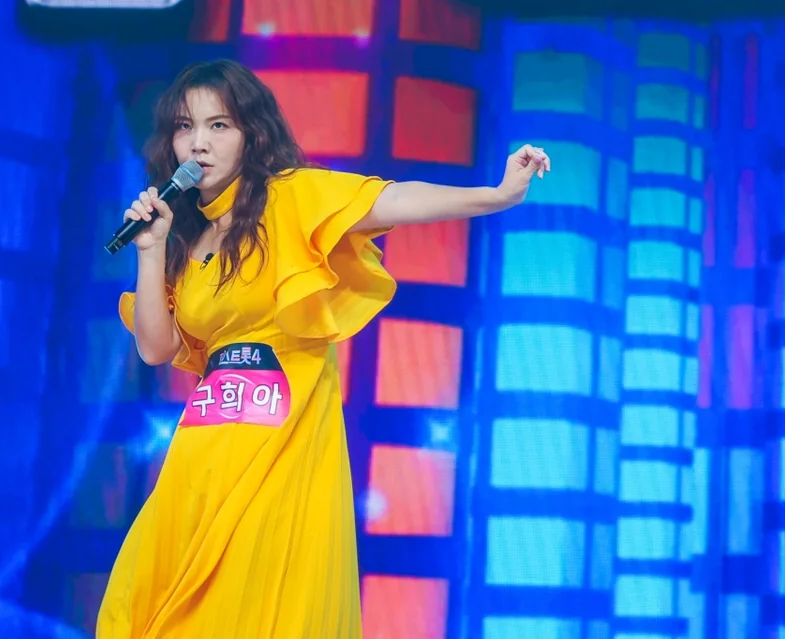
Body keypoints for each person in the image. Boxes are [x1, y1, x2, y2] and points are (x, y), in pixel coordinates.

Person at [96, 58, 550, 638]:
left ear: (251, 133)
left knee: (254, 611)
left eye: (219, 125)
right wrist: (151, 250)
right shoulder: (186, 237)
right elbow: (156, 349)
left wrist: (497, 194)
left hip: (282, 449)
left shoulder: (292, 196)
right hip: (202, 454)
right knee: (148, 610)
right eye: (186, 127)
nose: (199, 143)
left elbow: (391, 200)